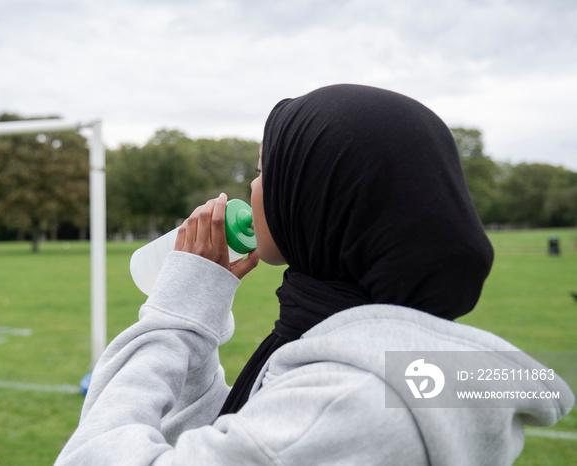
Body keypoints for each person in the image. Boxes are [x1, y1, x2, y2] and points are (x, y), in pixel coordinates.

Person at [56, 85, 573, 465]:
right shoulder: (380, 361)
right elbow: (234, 434)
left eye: (265, 171)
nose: (254, 190)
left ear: (318, 200)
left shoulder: (343, 404)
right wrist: (200, 337)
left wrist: (177, 317)